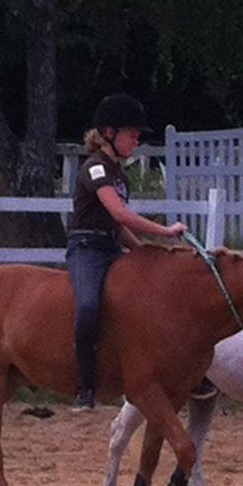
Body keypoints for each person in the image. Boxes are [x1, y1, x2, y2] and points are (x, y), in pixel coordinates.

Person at [67, 93, 187, 410]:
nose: (135, 141)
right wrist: (165, 232)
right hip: (87, 249)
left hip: (111, 244)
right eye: (131, 135)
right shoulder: (95, 169)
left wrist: (145, 250)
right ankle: (85, 384)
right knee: (89, 306)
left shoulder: (118, 173)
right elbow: (119, 214)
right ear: (109, 133)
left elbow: (117, 226)